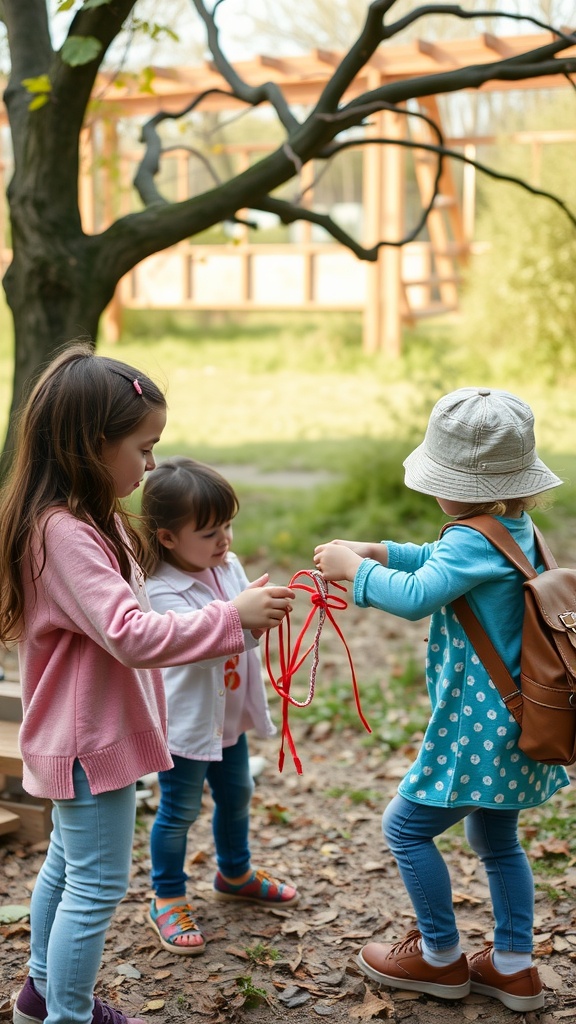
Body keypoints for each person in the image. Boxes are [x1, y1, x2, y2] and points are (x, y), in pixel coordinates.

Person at [0, 343, 295, 1024]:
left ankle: (42, 995)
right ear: (90, 445)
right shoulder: (63, 534)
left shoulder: (85, 519)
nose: (152, 462)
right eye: (143, 446)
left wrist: (230, 610)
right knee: (97, 885)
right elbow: (132, 634)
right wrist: (231, 618)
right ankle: (67, 1015)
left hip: (90, 734)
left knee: (66, 866)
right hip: (87, 741)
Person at [313, 387, 569, 1013]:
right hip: (518, 719)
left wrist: (353, 568)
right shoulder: (513, 527)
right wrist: (385, 551)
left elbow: (418, 595)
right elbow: (440, 562)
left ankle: (438, 957)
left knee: (403, 828)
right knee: (496, 839)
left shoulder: (469, 540)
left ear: (450, 482)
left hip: (476, 729)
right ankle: (513, 966)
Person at [140, 457, 298, 955]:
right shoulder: (160, 588)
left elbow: (238, 625)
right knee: (179, 810)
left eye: (227, 525)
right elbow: (200, 644)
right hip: (187, 725)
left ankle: (235, 872)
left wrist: (257, 610)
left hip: (227, 719)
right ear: (167, 537)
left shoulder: (225, 565)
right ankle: (166, 896)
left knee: (238, 793)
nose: (224, 540)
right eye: (209, 532)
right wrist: (243, 619)